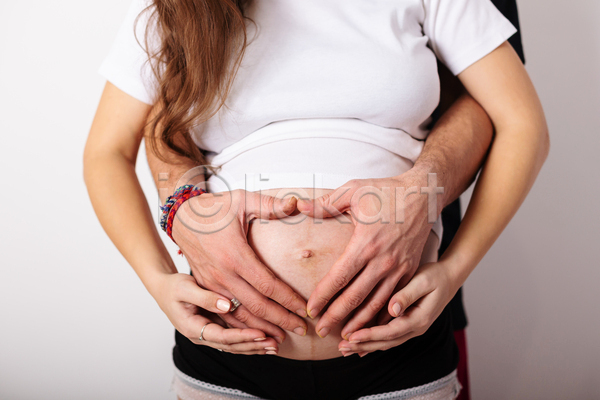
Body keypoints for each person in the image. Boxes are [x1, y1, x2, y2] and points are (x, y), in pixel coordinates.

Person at [83, 0, 548, 398]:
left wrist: (452, 271)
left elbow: (521, 124)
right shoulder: (179, 7)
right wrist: (159, 281)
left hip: (397, 348)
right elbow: (107, 152)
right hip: (227, 352)